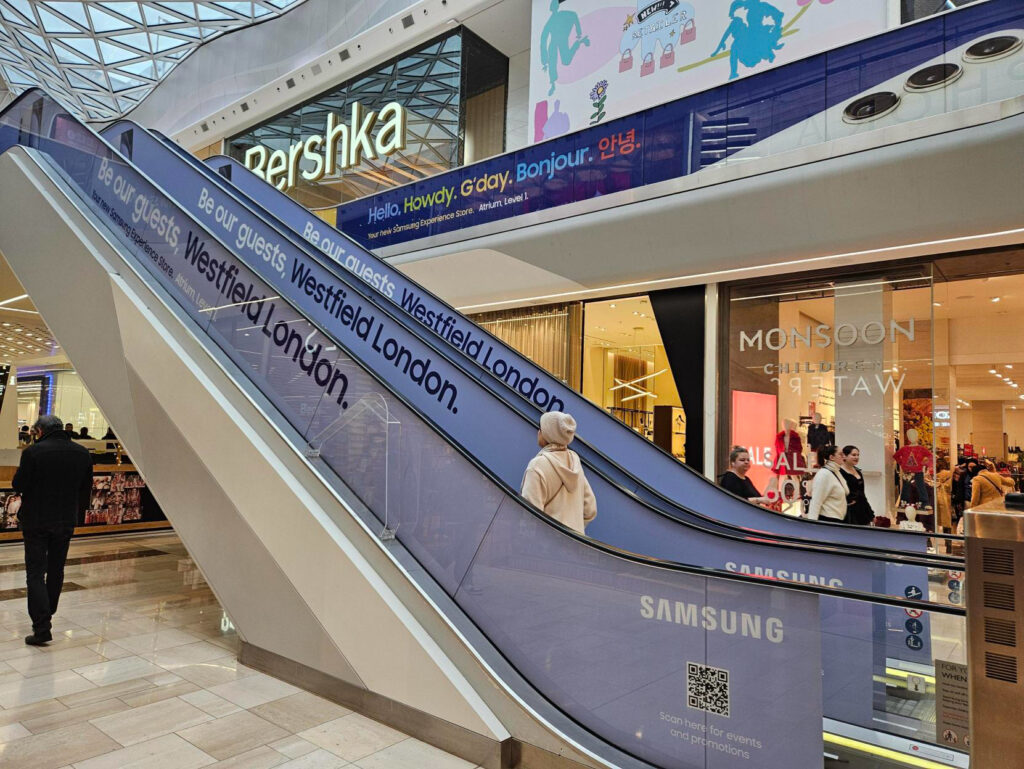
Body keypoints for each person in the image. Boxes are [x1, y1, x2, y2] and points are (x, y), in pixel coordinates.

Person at [13, 414, 93, 645]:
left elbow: (19, 484)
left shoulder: (33, 453)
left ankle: (41, 627)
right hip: (65, 519)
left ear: (39, 431)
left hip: (36, 521)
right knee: (56, 569)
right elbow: (84, 490)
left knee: (35, 572)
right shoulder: (82, 453)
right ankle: (49, 612)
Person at [521, 411, 596, 535]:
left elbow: (530, 518)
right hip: (574, 545)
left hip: (546, 548)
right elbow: (590, 509)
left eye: (541, 428)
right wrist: (574, 526)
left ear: (549, 434)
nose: (538, 432)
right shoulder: (574, 461)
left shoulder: (537, 466)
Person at [805, 445, 848, 521]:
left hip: (836, 519)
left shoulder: (835, 472)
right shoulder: (824, 474)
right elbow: (816, 501)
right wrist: (812, 525)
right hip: (827, 521)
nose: (844, 456)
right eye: (841, 454)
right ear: (832, 457)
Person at [839, 445, 874, 525]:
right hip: (848, 511)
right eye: (853, 455)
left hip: (861, 509)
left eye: (858, 455)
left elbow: (862, 494)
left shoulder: (858, 472)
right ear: (845, 456)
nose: (856, 457)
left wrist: (870, 513)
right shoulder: (840, 472)